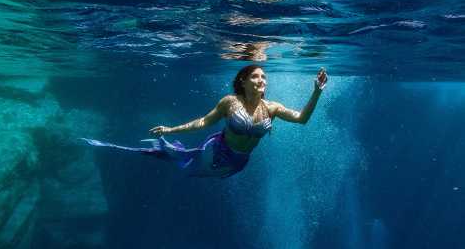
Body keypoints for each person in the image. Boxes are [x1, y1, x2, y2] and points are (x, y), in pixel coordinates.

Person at [81, 65, 328, 178]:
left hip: (240, 162)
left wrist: (316, 91)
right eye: (255, 76)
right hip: (218, 150)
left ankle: (166, 152)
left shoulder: (272, 107)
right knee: (186, 165)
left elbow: (302, 119)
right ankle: (130, 150)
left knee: (196, 172)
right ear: (243, 81)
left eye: (264, 76)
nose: (262, 80)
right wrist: (170, 128)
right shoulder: (230, 102)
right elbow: (203, 122)